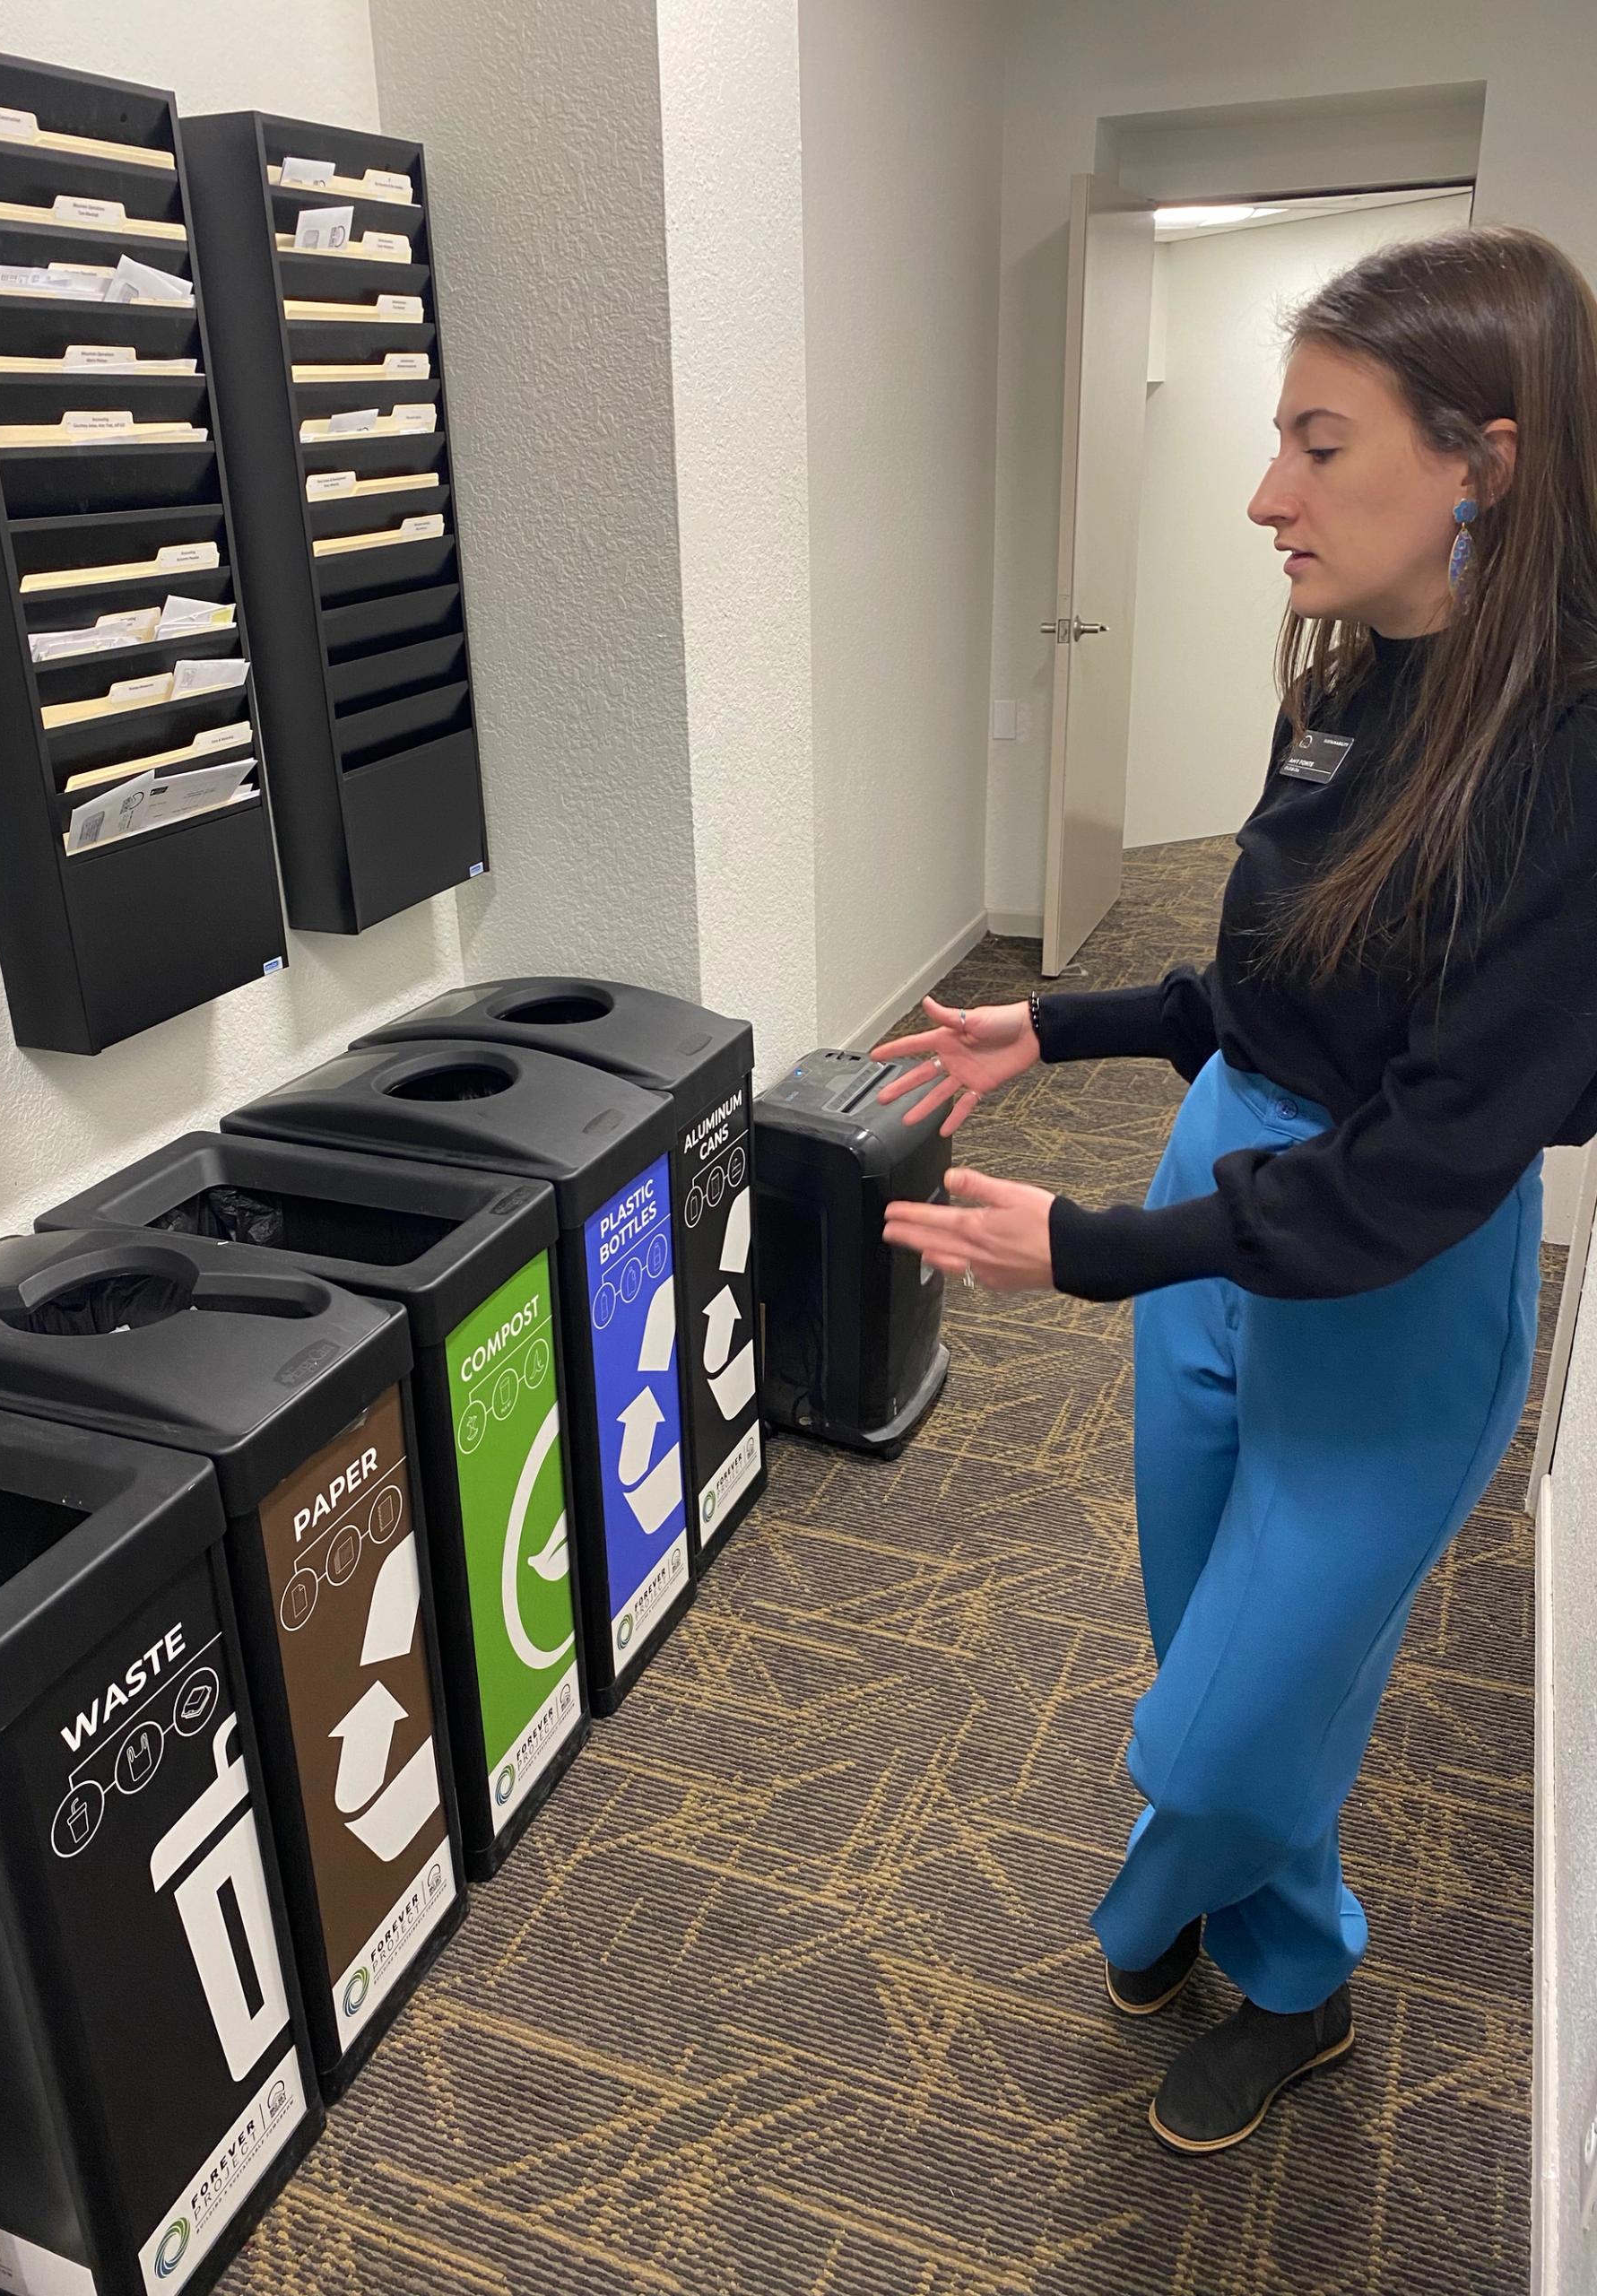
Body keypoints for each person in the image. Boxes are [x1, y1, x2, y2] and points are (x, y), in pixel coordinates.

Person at [874, 223, 1597, 2155]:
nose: (1267, 494)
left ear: (1487, 462)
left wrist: (1093, 1246)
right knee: (1216, 1645)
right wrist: (1067, 1024)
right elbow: (1265, 986)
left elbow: (1425, 1159)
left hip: (1389, 1261)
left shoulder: (1565, 763)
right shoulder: (1351, 680)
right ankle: (1300, 1978)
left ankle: (1166, 1899)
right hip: (1228, 1188)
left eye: (1321, 443)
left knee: (1209, 1731)